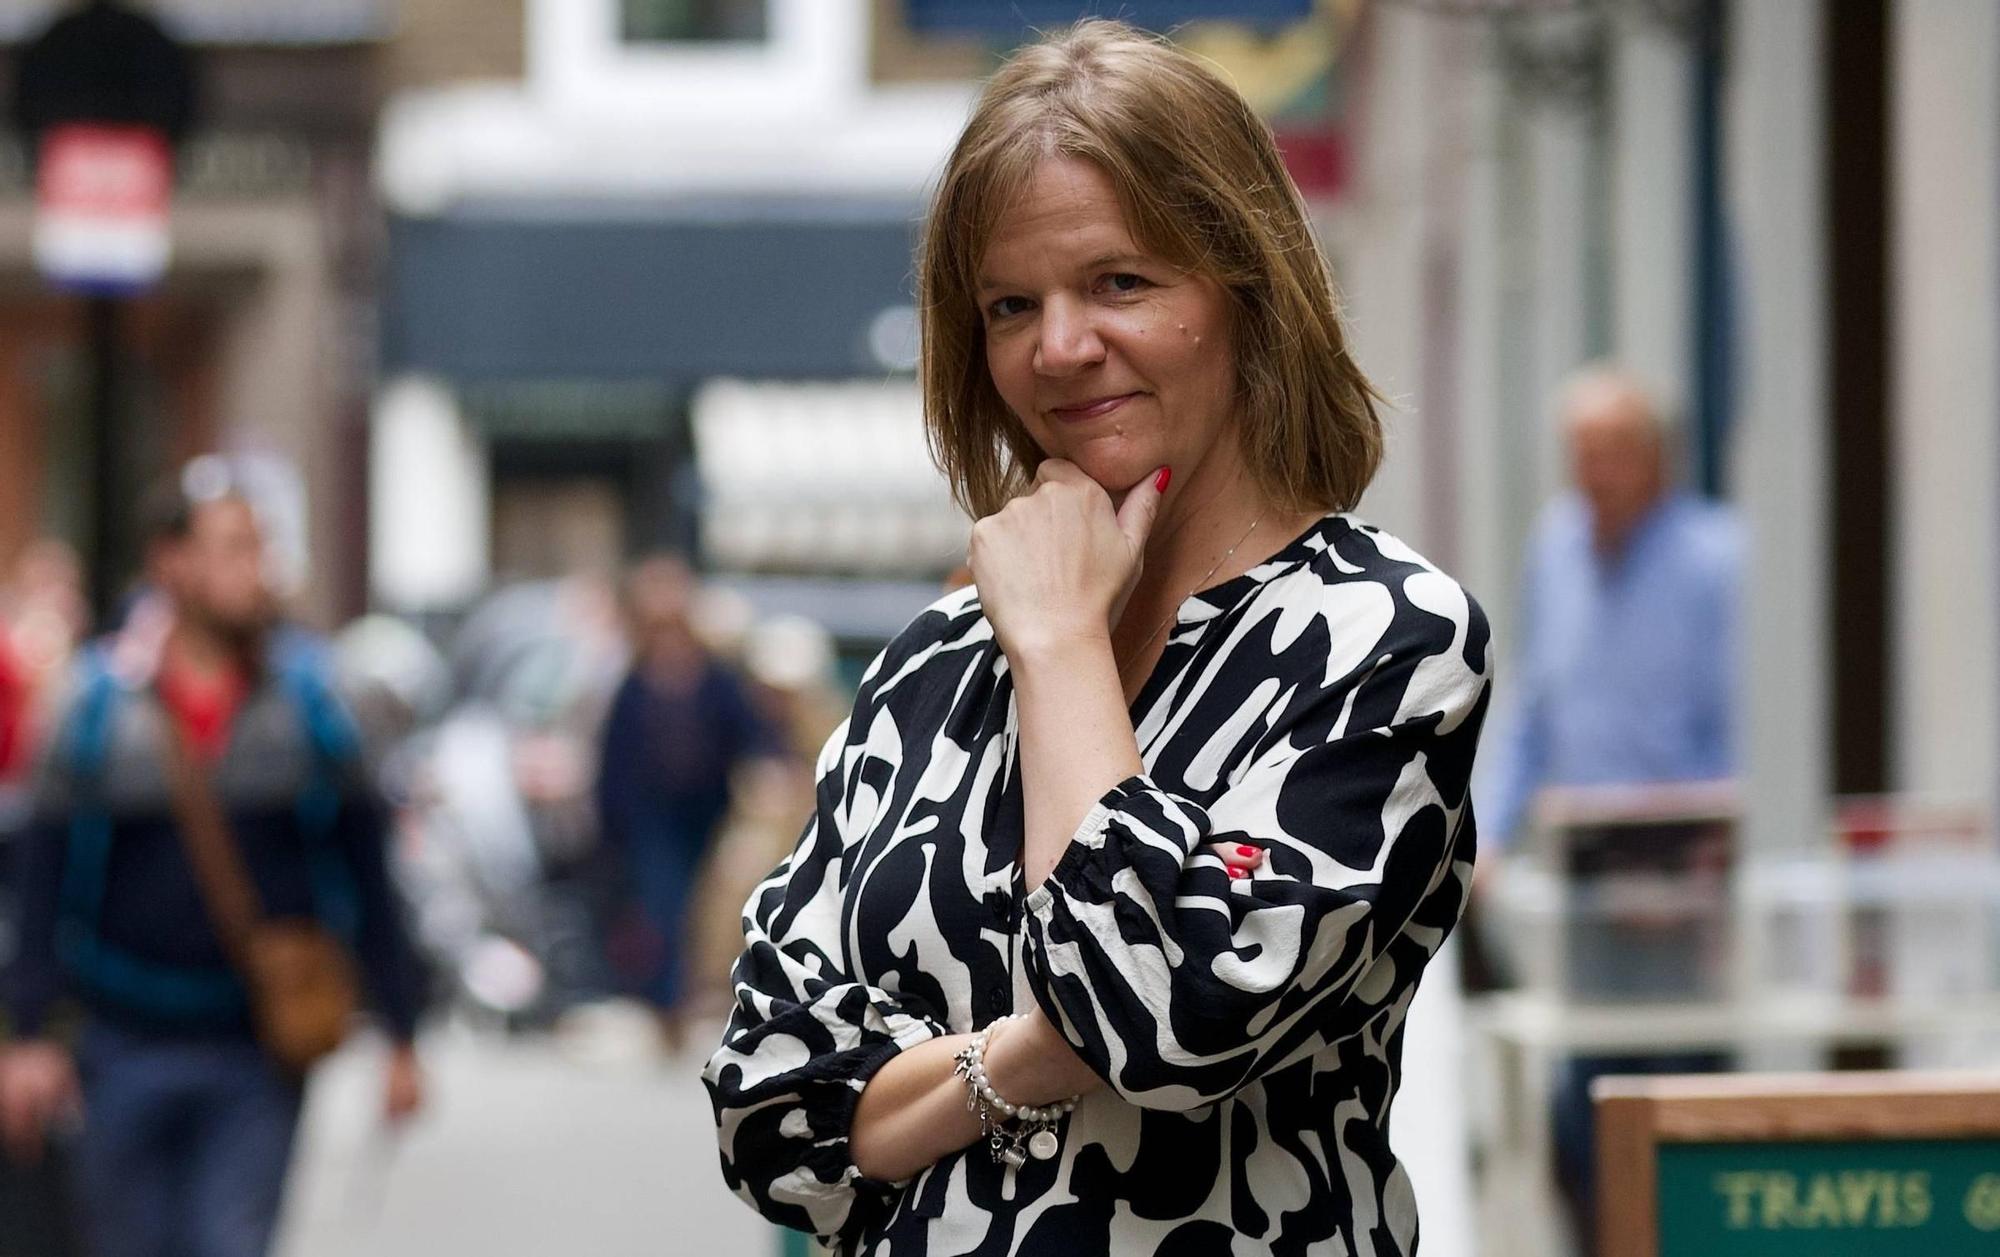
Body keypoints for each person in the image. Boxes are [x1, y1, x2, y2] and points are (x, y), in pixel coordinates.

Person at [702, 22, 1491, 1256]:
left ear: (1243, 287)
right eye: (1011, 304)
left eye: (1119, 282)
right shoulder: (934, 664)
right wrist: (1024, 1056)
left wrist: (1064, 645)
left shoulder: (1380, 637)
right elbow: (767, 1111)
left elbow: (1159, 1018)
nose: (1059, 348)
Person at [0, 470, 426, 1257]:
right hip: (116, 1042)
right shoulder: (93, 707)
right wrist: (29, 1034)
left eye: (260, 546)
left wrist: (400, 1031)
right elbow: (40, 881)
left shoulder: (314, 704)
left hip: (257, 1047)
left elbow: (369, 873)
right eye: (234, 546)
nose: (257, 567)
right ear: (172, 563)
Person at [1476, 366, 1741, 1245]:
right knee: (1582, 1110)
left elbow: (1741, 722)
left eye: (1611, 455)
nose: (1592, 474)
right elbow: (1533, 705)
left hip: (1686, 890)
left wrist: (1706, 845)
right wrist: (1489, 829)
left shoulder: (1716, 558)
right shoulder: (1556, 547)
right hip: (1586, 885)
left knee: (1681, 1095)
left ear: (1657, 459)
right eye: (1580, 455)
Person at [596, 555, 780, 1050]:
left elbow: (750, 732)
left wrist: (767, 767)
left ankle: (691, 998)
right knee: (663, 905)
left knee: (705, 909)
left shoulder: (713, 678)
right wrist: (613, 823)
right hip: (653, 819)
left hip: (705, 811)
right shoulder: (635, 684)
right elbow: (614, 763)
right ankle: (668, 1007)